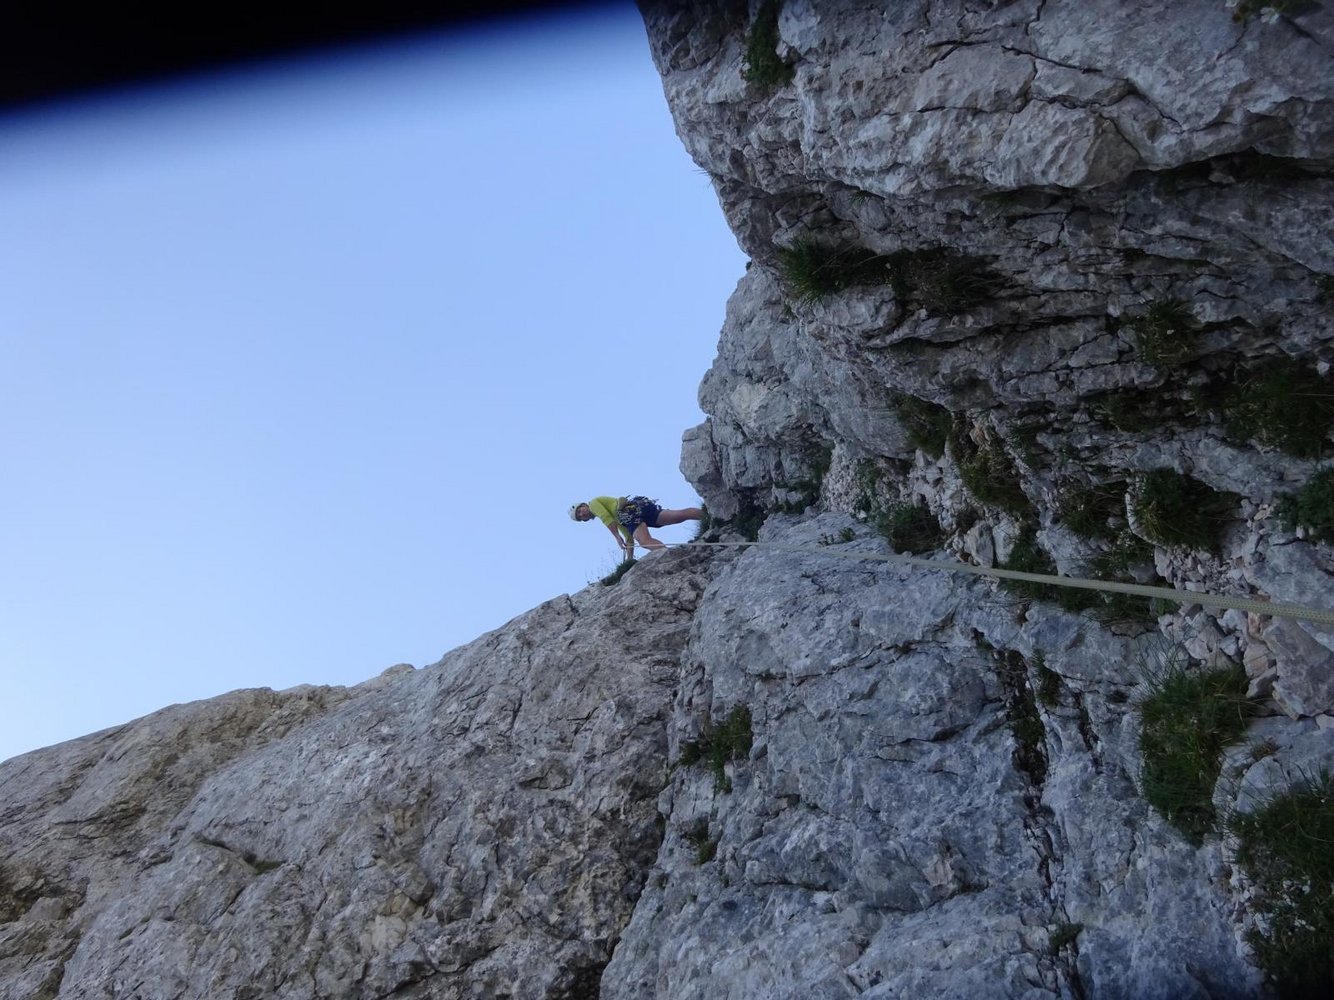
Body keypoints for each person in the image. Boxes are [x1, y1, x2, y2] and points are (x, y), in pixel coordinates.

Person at [569, 495, 702, 558]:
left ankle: (671, 557)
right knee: (678, 516)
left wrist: (617, 537)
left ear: (584, 505)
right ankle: (707, 515)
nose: (582, 514)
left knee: (645, 541)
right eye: (580, 517)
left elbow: (606, 517)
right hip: (639, 506)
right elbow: (629, 537)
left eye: (580, 510)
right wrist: (629, 559)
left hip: (629, 513)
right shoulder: (618, 518)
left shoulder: (593, 504)